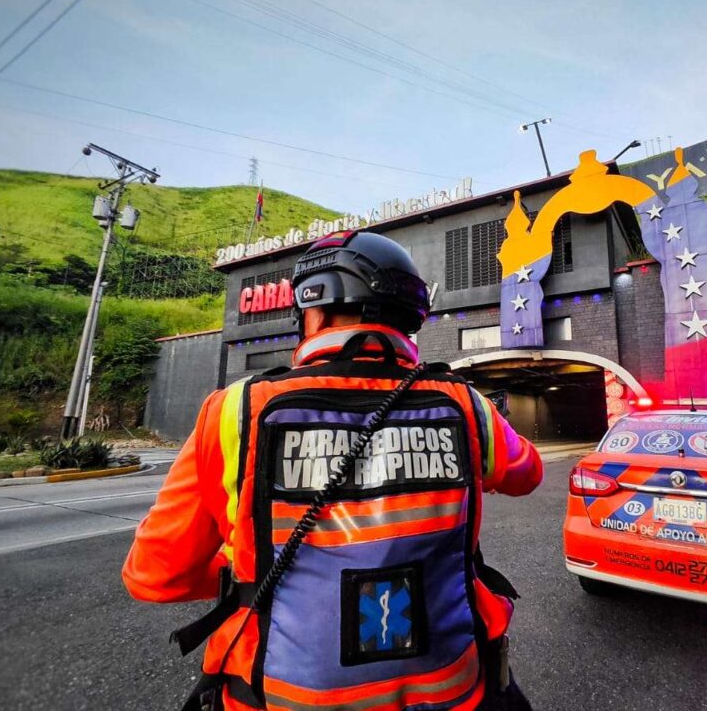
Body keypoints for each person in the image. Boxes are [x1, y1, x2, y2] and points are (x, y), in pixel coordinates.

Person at [123, 230, 543, 711]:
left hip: (276, 698)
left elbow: (155, 575)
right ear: (408, 317)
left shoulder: (236, 410)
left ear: (315, 308)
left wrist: (250, 567)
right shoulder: (467, 406)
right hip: (453, 691)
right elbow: (526, 473)